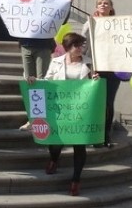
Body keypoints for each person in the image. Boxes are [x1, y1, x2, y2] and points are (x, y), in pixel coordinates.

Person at [0, 0, 63, 130]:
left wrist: (67, 1)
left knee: (42, 81)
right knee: (30, 82)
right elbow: (9, 9)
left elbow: (62, 17)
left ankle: (45, 119)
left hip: (44, 45)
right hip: (25, 44)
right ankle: (33, 119)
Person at [29, 32, 95, 196]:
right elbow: (49, 81)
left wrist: (95, 80)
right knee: (56, 141)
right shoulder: (56, 62)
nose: (80, 48)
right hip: (59, 108)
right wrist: (35, 81)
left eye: (82, 45)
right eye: (77, 45)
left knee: (80, 145)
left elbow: (93, 85)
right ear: (68, 48)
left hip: (80, 110)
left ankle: (76, 181)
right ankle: (54, 159)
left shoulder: (89, 64)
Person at [82, 0, 121, 147]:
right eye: (100, 3)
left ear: (111, 8)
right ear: (96, 7)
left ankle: (105, 136)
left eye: (106, 3)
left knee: (108, 102)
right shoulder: (90, 23)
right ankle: (93, 135)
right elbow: (83, 45)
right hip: (95, 68)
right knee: (94, 102)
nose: (103, 5)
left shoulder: (119, 24)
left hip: (112, 68)